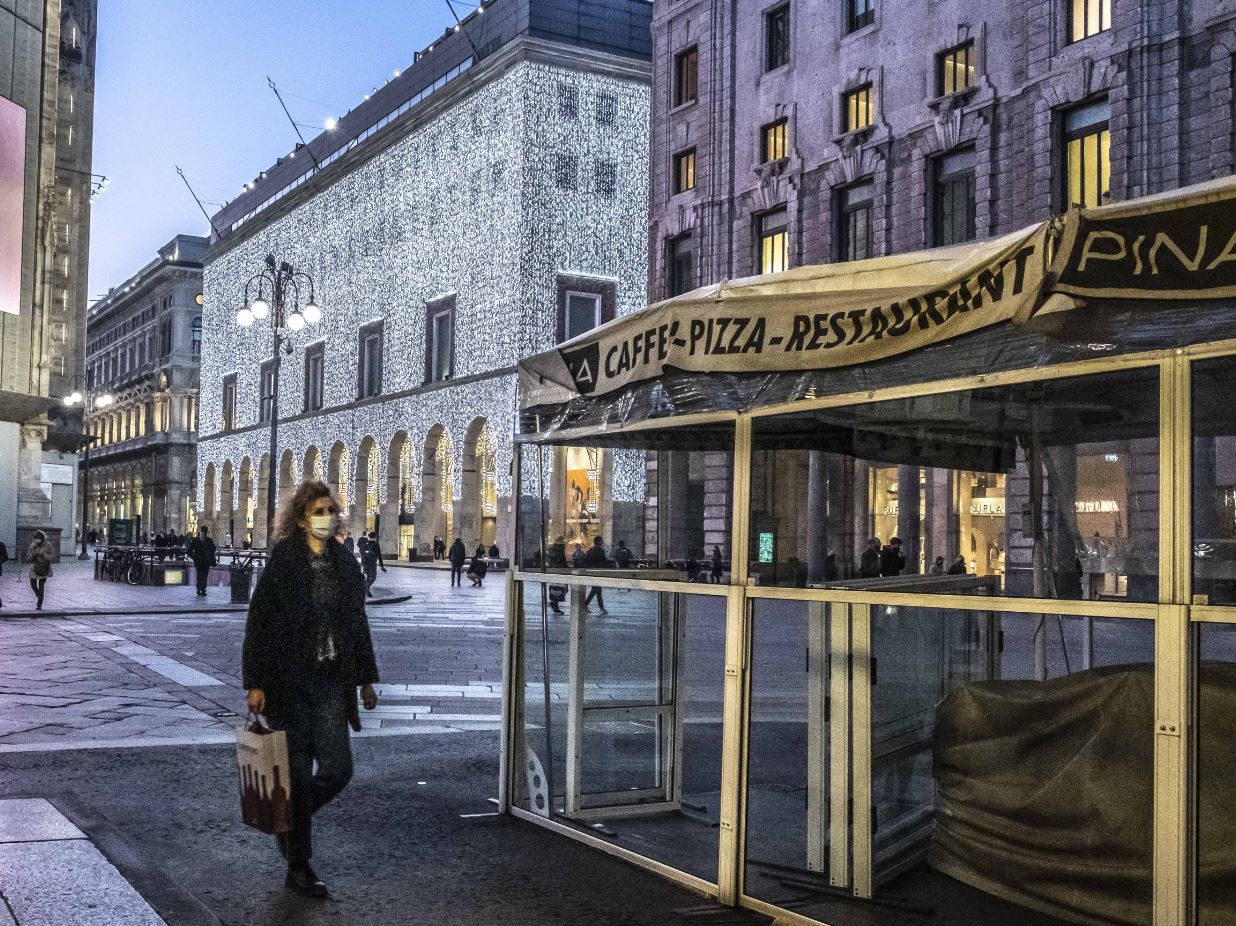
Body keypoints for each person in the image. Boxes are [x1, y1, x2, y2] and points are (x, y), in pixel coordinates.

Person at [242, 480, 379, 899]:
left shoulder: (343, 560)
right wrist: (256, 682)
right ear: (302, 518)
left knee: (338, 770)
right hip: (290, 684)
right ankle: (299, 866)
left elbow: (357, 622)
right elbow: (259, 622)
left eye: (331, 510)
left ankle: (290, 819)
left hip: (332, 681)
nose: (327, 517)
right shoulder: (284, 559)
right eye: (319, 511)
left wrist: (366, 678)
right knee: (299, 776)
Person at [26, 531, 54, 611]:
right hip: (34, 568)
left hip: (44, 568)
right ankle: (39, 596)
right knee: (33, 585)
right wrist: (33, 555)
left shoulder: (48, 545)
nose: (36, 540)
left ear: (42, 538)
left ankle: (39, 604)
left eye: (37, 538)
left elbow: (52, 556)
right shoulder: (32, 545)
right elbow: (28, 557)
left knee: (41, 585)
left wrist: (43, 555)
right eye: (35, 539)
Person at [187, 526, 217, 597]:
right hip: (198, 561)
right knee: (199, 575)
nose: (203, 534)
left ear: (206, 533)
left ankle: (203, 589)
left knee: (204, 575)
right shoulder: (195, 540)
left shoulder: (209, 540)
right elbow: (190, 550)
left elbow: (213, 549)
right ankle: (199, 588)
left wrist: (210, 550)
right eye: (202, 533)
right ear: (200, 533)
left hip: (206, 561)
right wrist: (193, 557)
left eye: (204, 533)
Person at [583, 536, 608, 613]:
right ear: (598, 542)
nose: (602, 542)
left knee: (596, 590)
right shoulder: (600, 551)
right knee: (596, 590)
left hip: (592, 573)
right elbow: (603, 562)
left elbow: (586, 562)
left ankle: (600, 607)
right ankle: (586, 605)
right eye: (601, 541)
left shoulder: (590, 551)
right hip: (598, 573)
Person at [359, 531, 386, 597]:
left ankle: (368, 592)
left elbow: (362, 553)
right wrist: (382, 566)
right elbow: (379, 555)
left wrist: (362, 563)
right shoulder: (376, 544)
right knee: (373, 577)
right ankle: (366, 587)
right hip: (372, 564)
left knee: (368, 577)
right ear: (375, 537)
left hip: (365, 564)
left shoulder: (366, 544)